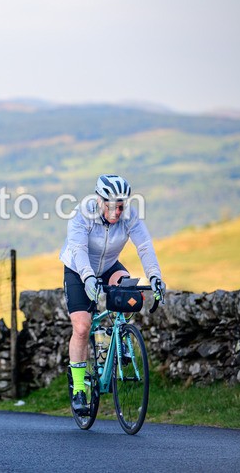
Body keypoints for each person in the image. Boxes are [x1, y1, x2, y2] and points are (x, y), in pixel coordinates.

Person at [59, 174, 166, 414]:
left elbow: (145, 246)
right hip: (78, 269)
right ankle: (78, 388)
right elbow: (78, 249)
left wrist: (156, 277)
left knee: (128, 290)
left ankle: (117, 339)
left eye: (121, 206)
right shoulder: (82, 214)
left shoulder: (129, 216)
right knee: (82, 327)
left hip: (109, 266)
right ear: (100, 200)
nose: (117, 212)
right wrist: (87, 277)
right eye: (112, 206)